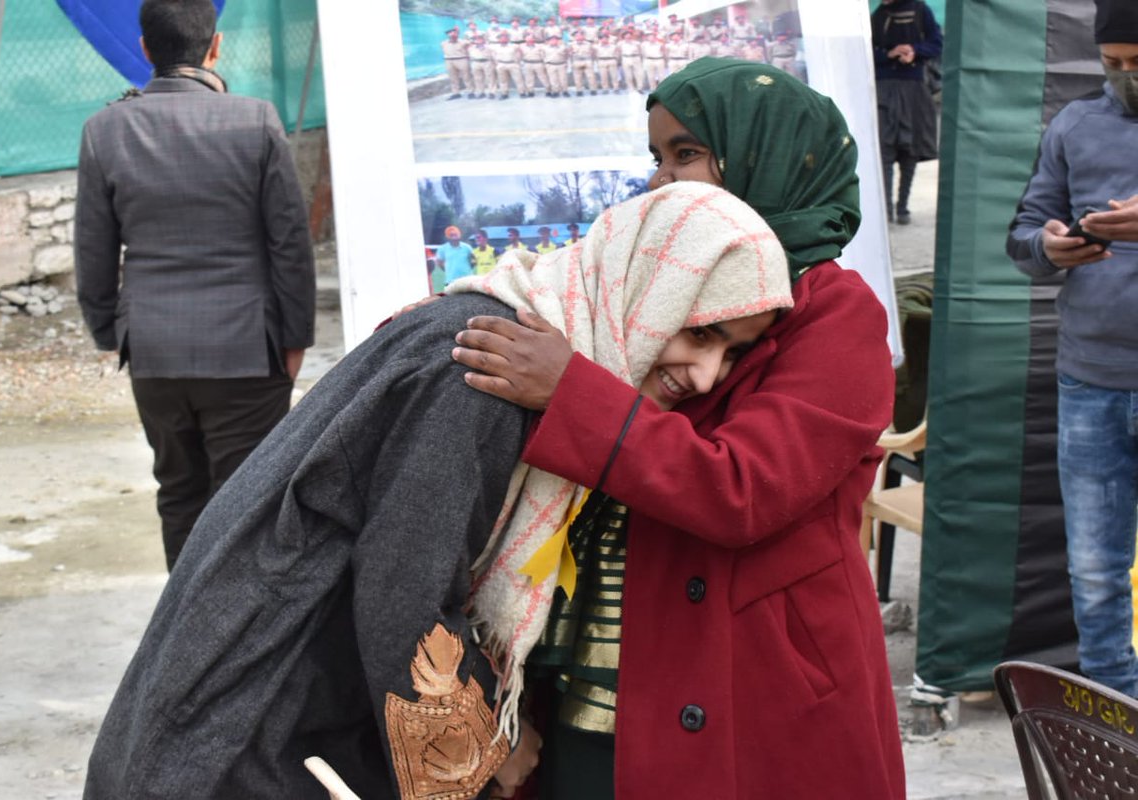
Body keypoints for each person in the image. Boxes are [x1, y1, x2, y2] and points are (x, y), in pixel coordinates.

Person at [82, 181, 794, 800]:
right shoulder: (480, 371)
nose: (705, 375)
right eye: (702, 334)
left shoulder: (505, 340)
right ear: (651, 288)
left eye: (729, 355)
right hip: (246, 740)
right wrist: (491, 749)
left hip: (255, 721)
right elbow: (405, 603)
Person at [449, 58, 905, 798]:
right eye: (658, 158)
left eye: (688, 154)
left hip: (756, 684)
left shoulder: (835, 313)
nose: (664, 181)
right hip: (592, 676)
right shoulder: (643, 287)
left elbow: (742, 487)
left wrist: (569, 391)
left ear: (765, 156)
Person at [74, 0, 315, 571]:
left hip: (154, 351)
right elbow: (290, 245)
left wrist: (109, 331)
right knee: (249, 503)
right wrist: (296, 338)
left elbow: (93, 249)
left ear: (144, 49)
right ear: (215, 46)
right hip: (247, 351)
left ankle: (183, 641)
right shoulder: (256, 120)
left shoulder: (104, 129)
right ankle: (241, 642)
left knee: (178, 493)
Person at [1006, 0, 1138, 698]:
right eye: (1112, 65)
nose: (1124, 79)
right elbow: (1024, 231)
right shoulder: (1076, 123)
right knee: (1094, 568)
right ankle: (1118, 718)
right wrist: (1049, 248)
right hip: (1090, 380)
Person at [871, 0, 942, 224]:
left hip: (913, 88)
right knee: (885, 149)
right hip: (884, 89)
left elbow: (936, 44)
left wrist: (914, 51)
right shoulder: (879, 14)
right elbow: (866, 51)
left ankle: (902, 207)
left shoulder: (920, 10)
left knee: (909, 149)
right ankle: (886, 210)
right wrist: (889, 53)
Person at [440, 27, 471, 100]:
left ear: (457, 34)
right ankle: (456, 93)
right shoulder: (443, 43)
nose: (452, 34)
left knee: (466, 76)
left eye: (454, 33)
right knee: (453, 78)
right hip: (449, 61)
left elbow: (469, 46)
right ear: (447, 35)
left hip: (462, 59)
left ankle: (470, 91)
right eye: (450, 33)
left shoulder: (463, 42)